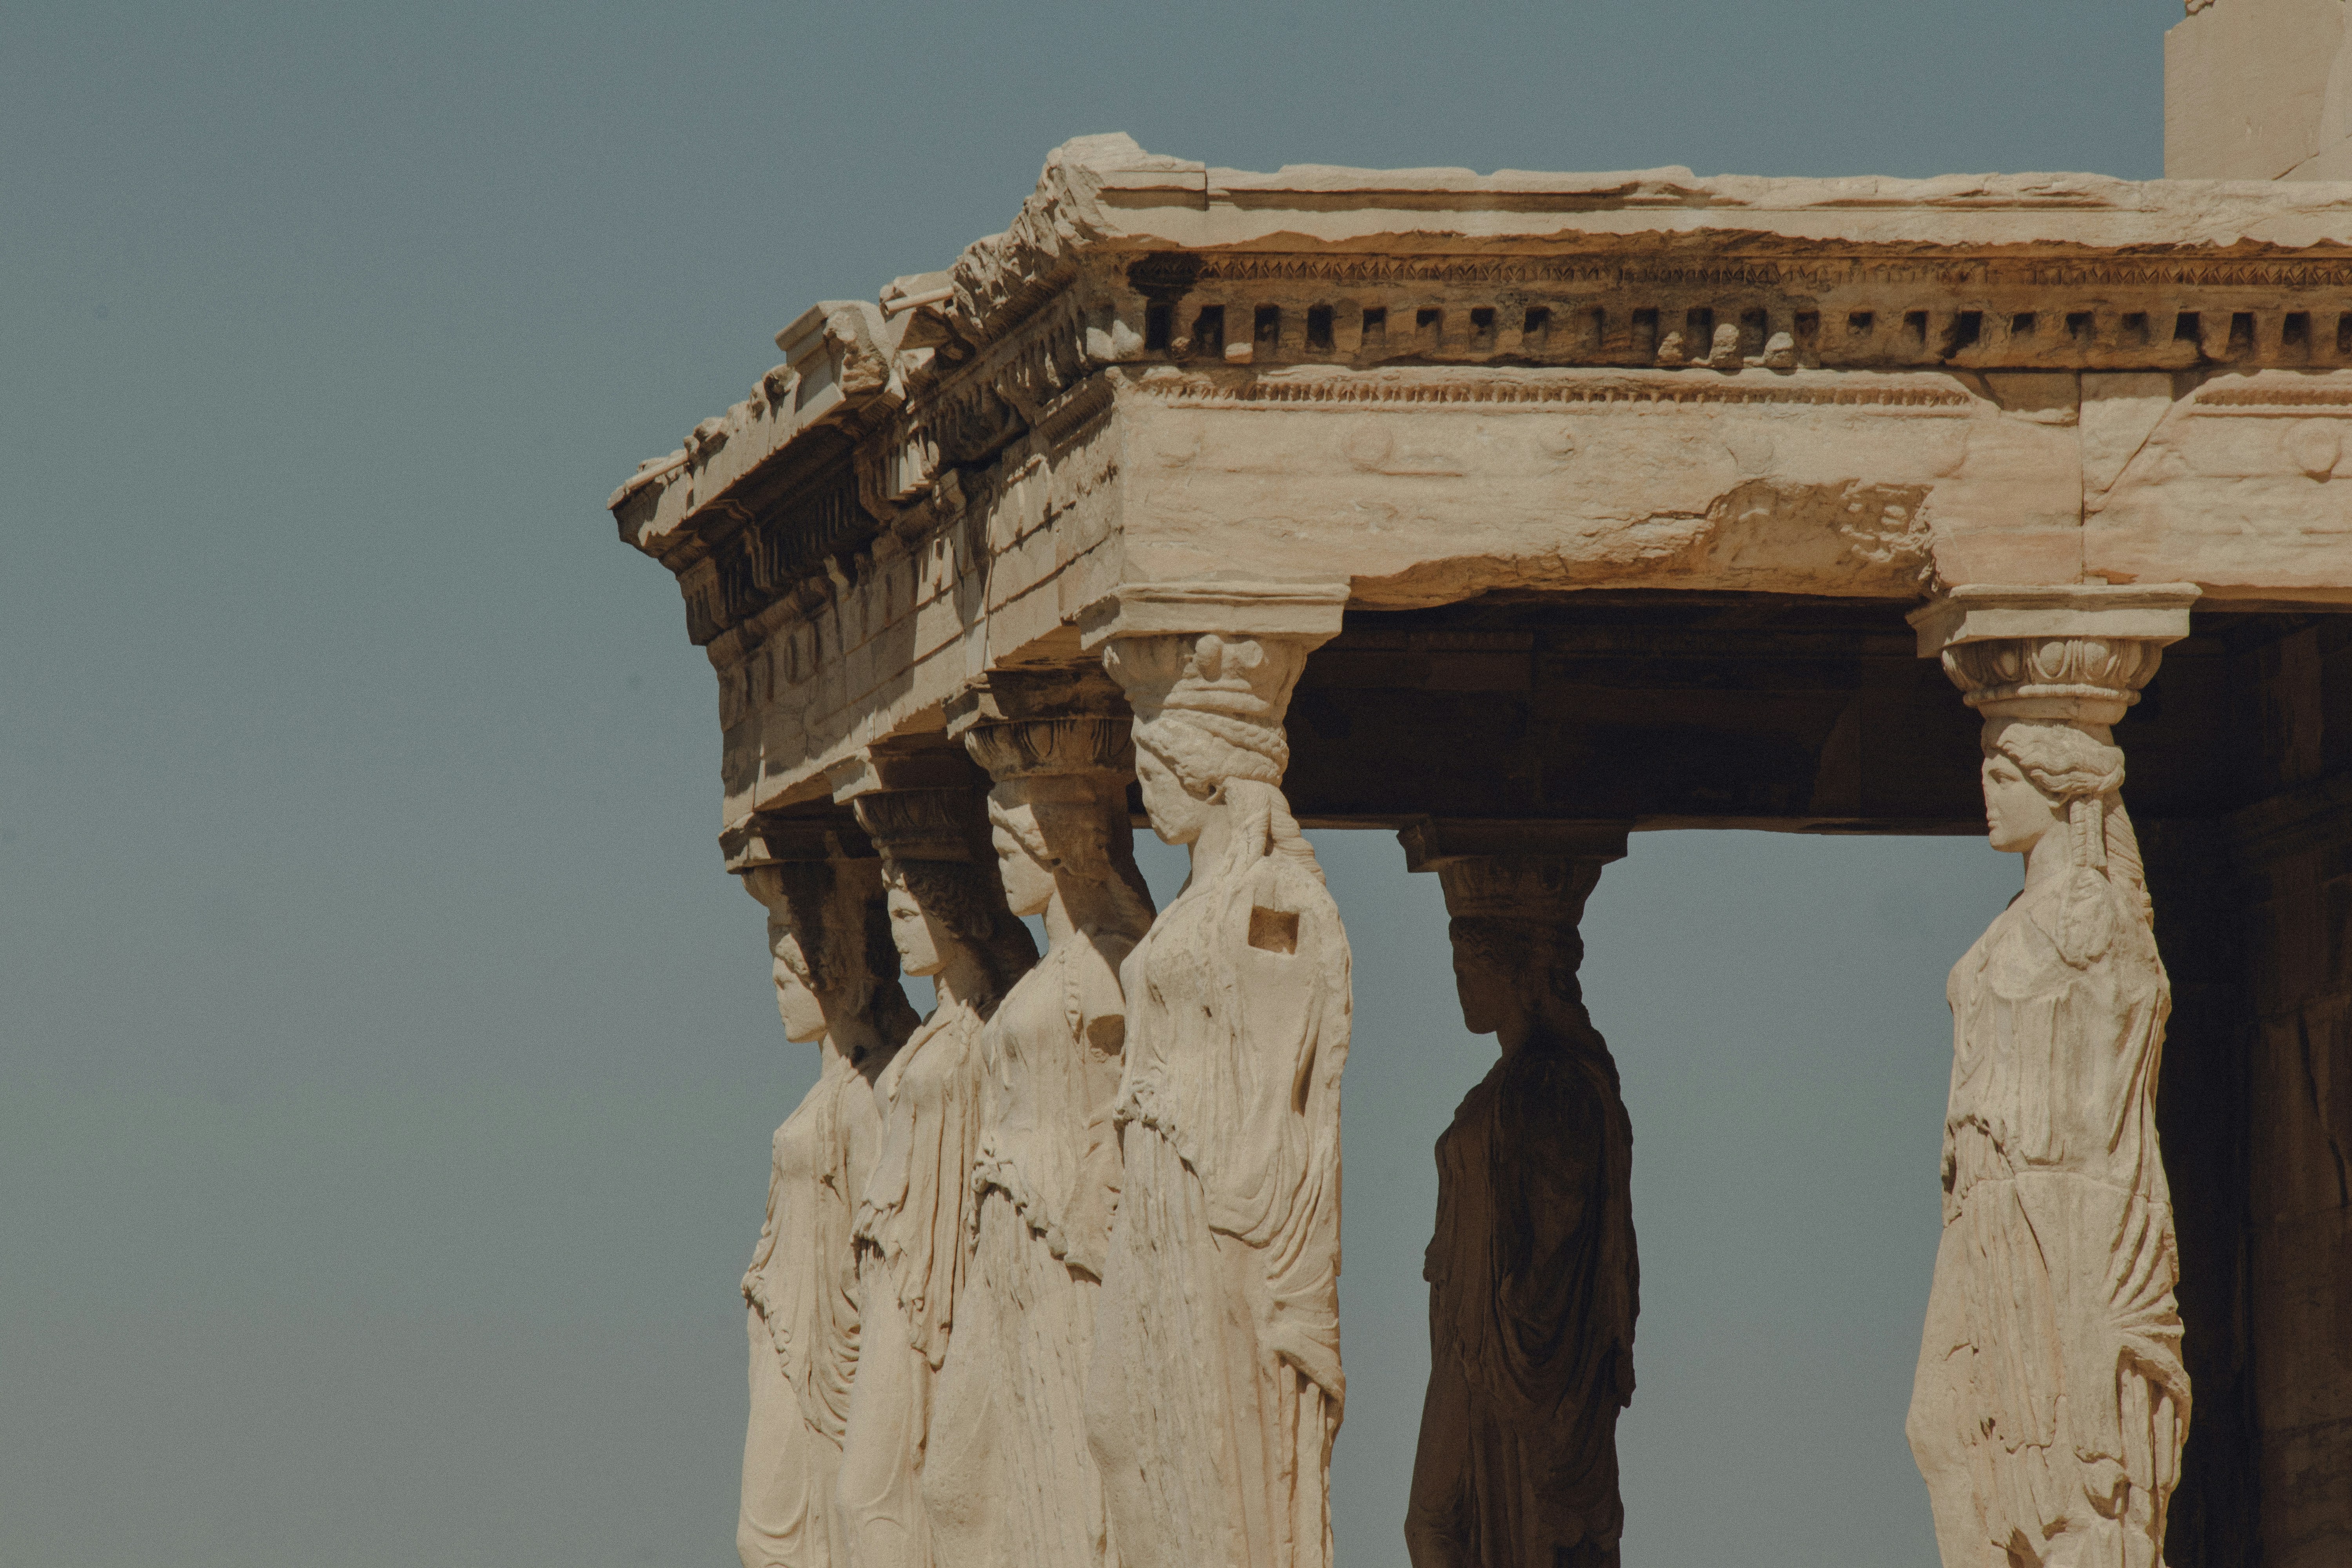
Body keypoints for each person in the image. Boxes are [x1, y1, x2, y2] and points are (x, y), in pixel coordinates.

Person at [1908, 715, 2188, 1568]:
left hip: (2062, 1210)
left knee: (2070, 1464)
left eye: (2003, 777)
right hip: (1985, 1207)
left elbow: (2115, 1091)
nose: (1986, 796)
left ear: (2063, 793)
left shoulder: (2094, 917)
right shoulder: (2017, 918)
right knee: (1943, 1425)